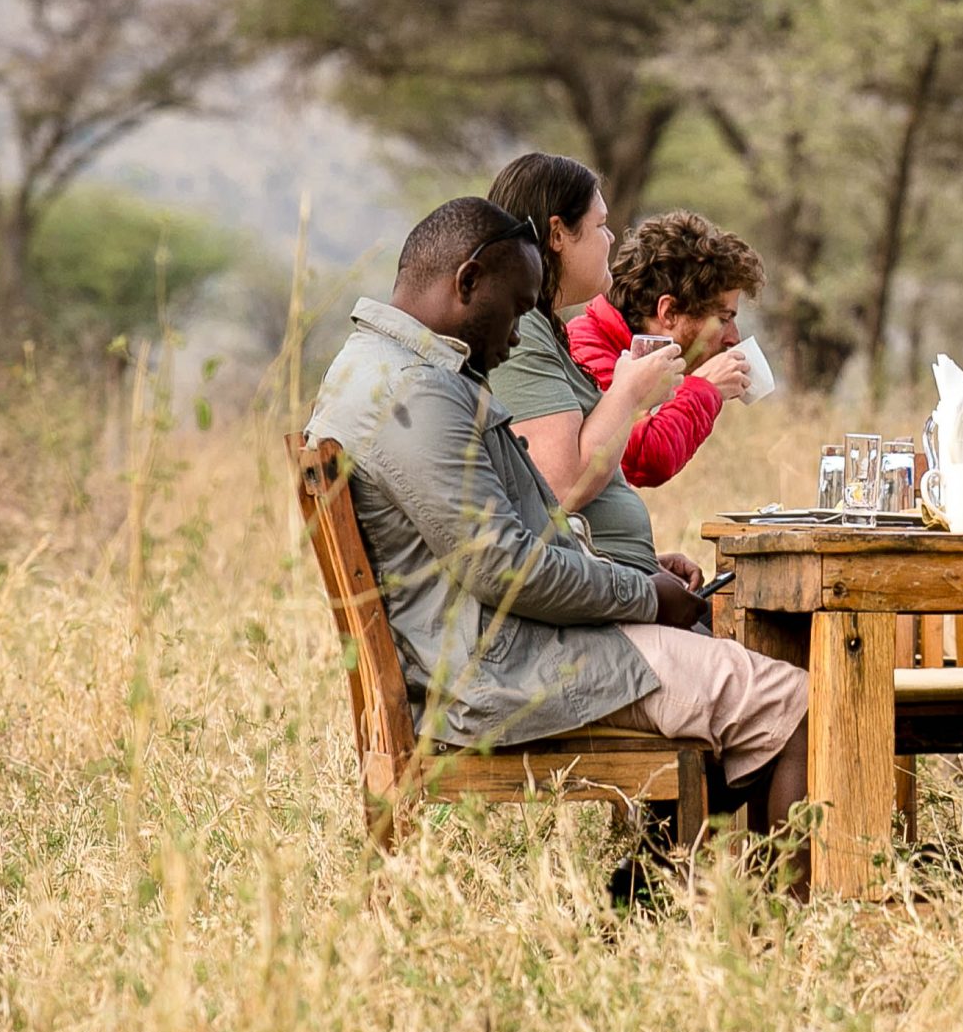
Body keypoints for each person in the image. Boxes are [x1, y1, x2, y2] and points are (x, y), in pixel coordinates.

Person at [302, 195, 810, 843]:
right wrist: (645, 595)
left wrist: (629, 572)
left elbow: (502, 539)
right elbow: (505, 568)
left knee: (726, 660)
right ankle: (790, 910)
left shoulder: (372, 366)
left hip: (486, 653)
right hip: (500, 675)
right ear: (468, 282)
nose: (518, 336)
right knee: (797, 705)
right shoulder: (418, 393)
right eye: (517, 310)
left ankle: (662, 887)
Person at [477, 153, 688, 578]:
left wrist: (647, 566)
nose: (610, 238)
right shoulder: (520, 332)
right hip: (589, 599)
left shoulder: (541, 326)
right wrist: (629, 393)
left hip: (606, 578)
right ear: (558, 233)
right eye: (600, 225)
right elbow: (561, 488)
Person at [567, 210, 767, 487]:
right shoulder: (587, 350)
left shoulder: (618, 348)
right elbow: (645, 458)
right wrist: (705, 387)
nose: (733, 338)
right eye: (723, 319)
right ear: (669, 312)